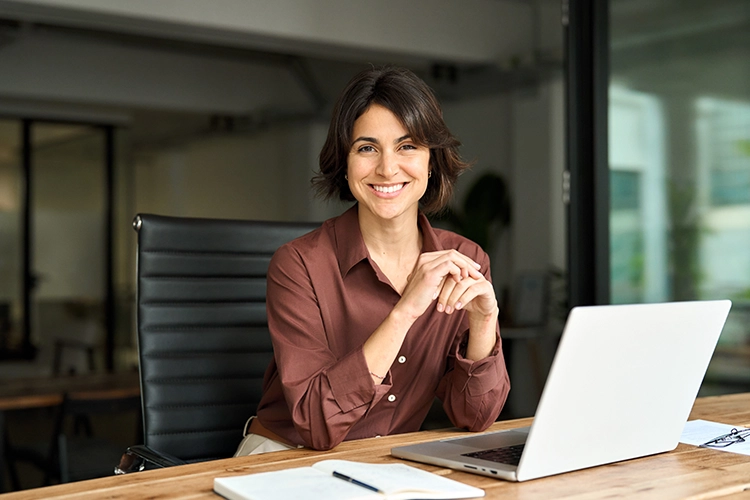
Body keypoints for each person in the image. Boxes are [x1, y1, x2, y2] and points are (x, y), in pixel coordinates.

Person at [235, 66, 510, 456]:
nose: (386, 168)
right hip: (284, 457)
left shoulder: (466, 260)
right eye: (367, 148)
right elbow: (316, 425)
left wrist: (483, 324)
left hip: (386, 463)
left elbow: (475, 417)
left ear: (431, 161)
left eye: (407, 146)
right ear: (345, 164)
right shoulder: (298, 265)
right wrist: (403, 313)